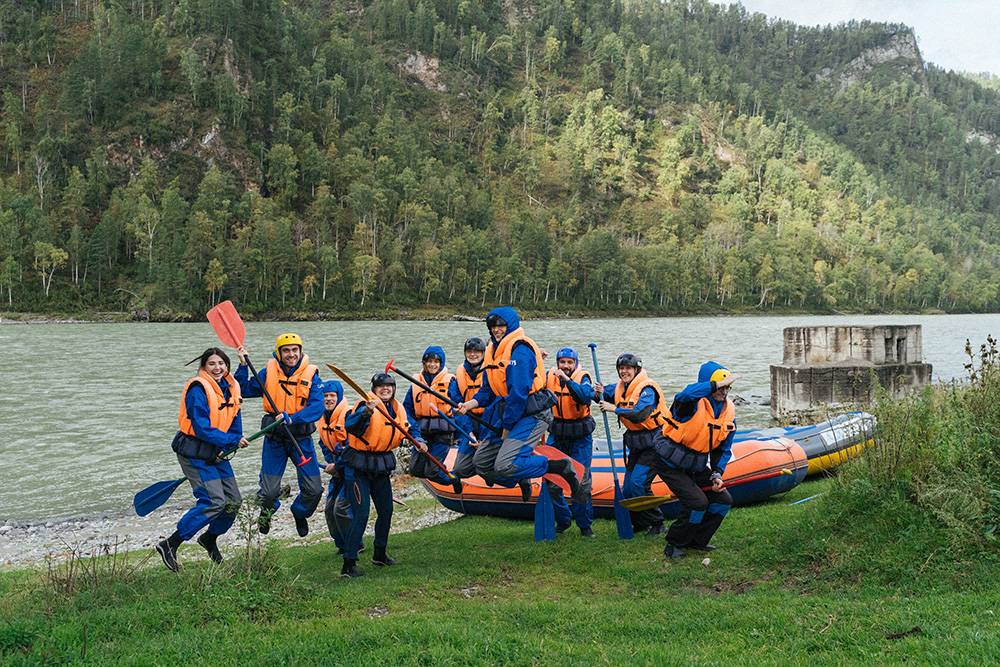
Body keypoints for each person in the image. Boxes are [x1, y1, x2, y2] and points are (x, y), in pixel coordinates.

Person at [456, 306, 584, 504]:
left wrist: (507, 427)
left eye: (501, 325)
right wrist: (469, 404)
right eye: (493, 326)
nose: (497, 329)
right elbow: (488, 390)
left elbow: (518, 393)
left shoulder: (520, 349)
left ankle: (560, 467)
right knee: (481, 463)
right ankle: (522, 476)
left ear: (511, 325)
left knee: (504, 465)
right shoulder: (492, 350)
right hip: (510, 411)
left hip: (533, 413)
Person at [156, 348, 250, 572]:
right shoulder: (198, 389)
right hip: (194, 451)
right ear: (203, 367)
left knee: (234, 501)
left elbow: (234, 413)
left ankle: (209, 538)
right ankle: (170, 544)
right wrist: (230, 440)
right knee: (214, 501)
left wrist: (244, 364)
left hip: (217, 450)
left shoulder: (230, 387)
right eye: (212, 364)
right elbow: (200, 427)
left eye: (221, 364)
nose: (217, 368)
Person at [337, 372, 425, 577]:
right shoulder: (364, 405)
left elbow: (410, 427)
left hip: (380, 467)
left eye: (389, 386)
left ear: (393, 388)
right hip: (358, 469)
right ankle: (348, 563)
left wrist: (419, 440)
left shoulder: (396, 408)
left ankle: (379, 554)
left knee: (386, 511)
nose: (385, 389)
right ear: (374, 389)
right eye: (381, 387)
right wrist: (366, 413)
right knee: (361, 514)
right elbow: (350, 426)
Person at [236, 333, 324, 537]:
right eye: (286, 350)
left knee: (314, 490)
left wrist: (292, 417)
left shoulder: (312, 376)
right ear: (279, 353)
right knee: (268, 492)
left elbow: (317, 408)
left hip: (300, 439)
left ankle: (299, 512)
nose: (291, 354)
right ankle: (266, 513)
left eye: (295, 350)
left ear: (300, 351)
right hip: (275, 439)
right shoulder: (268, 372)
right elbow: (242, 389)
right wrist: (242, 366)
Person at [652, 362, 737, 559]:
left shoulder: (728, 414)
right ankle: (674, 544)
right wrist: (715, 385)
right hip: (669, 463)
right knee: (697, 502)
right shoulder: (688, 404)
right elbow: (684, 394)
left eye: (727, 387)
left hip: (695, 465)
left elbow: (723, 449)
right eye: (720, 386)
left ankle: (697, 541)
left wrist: (717, 473)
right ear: (708, 384)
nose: (724, 391)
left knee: (724, 500)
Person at [594, 353, 669, 535]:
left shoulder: (647, 389)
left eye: (628, 368)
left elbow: (640, 413)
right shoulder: (620, 387)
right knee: (628, 487)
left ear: (636, 370)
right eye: (621, 368)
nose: (624, 371)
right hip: (636, 444)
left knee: (638, 484)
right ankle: (641, 522)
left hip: (655, 442)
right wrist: (596, 391)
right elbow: (602, 396)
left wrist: (615, 409)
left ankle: (658, 523)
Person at [545, 347, 596, 537]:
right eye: (562, 362)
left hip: (580, 436)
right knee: (551, 481)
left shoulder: (583, 378)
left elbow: (583, 396)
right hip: (557, 434)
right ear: (557, 363)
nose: (565, 366)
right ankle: (563, 520)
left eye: (569, 362)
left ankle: (585, 526)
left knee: (581, 481)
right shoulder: (548, 376)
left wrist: (566, 380)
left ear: (575, 364)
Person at [403, 345, 464, 494]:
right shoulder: (415, 383)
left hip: (443, 434)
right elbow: (407, 410)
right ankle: (448, 477)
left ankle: (454, 480)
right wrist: (417, 437)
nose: (432, 365)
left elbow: (460, 408)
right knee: (415, 470)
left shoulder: (451, 382)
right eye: (429, 361)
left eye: (436, 362)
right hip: (422, 432)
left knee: (432, 472)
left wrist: (460, 434)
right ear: (424, 362)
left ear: (441, 363)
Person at [317, 380, 351, 555]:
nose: (329, 399)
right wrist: (331, 464)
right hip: (337, 471)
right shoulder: (322, 418)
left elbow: (353, 447)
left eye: (332, 396)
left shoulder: (348, 416)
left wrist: (338, 466)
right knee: (329, 508)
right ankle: (341, 544)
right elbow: (323, 443)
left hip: (351, 471)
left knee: (341, 509)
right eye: (325, 396)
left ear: (339, 397)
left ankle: (354, 543)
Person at [450, 337, 488, 480]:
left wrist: (485, 436)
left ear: (484, 353)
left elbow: (496, 403)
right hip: (470, 422)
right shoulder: (458, 375)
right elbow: (457, 407)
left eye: (477, 351)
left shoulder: (491, 372)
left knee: (487, 463)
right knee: (460, 469)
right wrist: (469, 433)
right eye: (469, 351)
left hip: (489, 423)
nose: (473, 354)